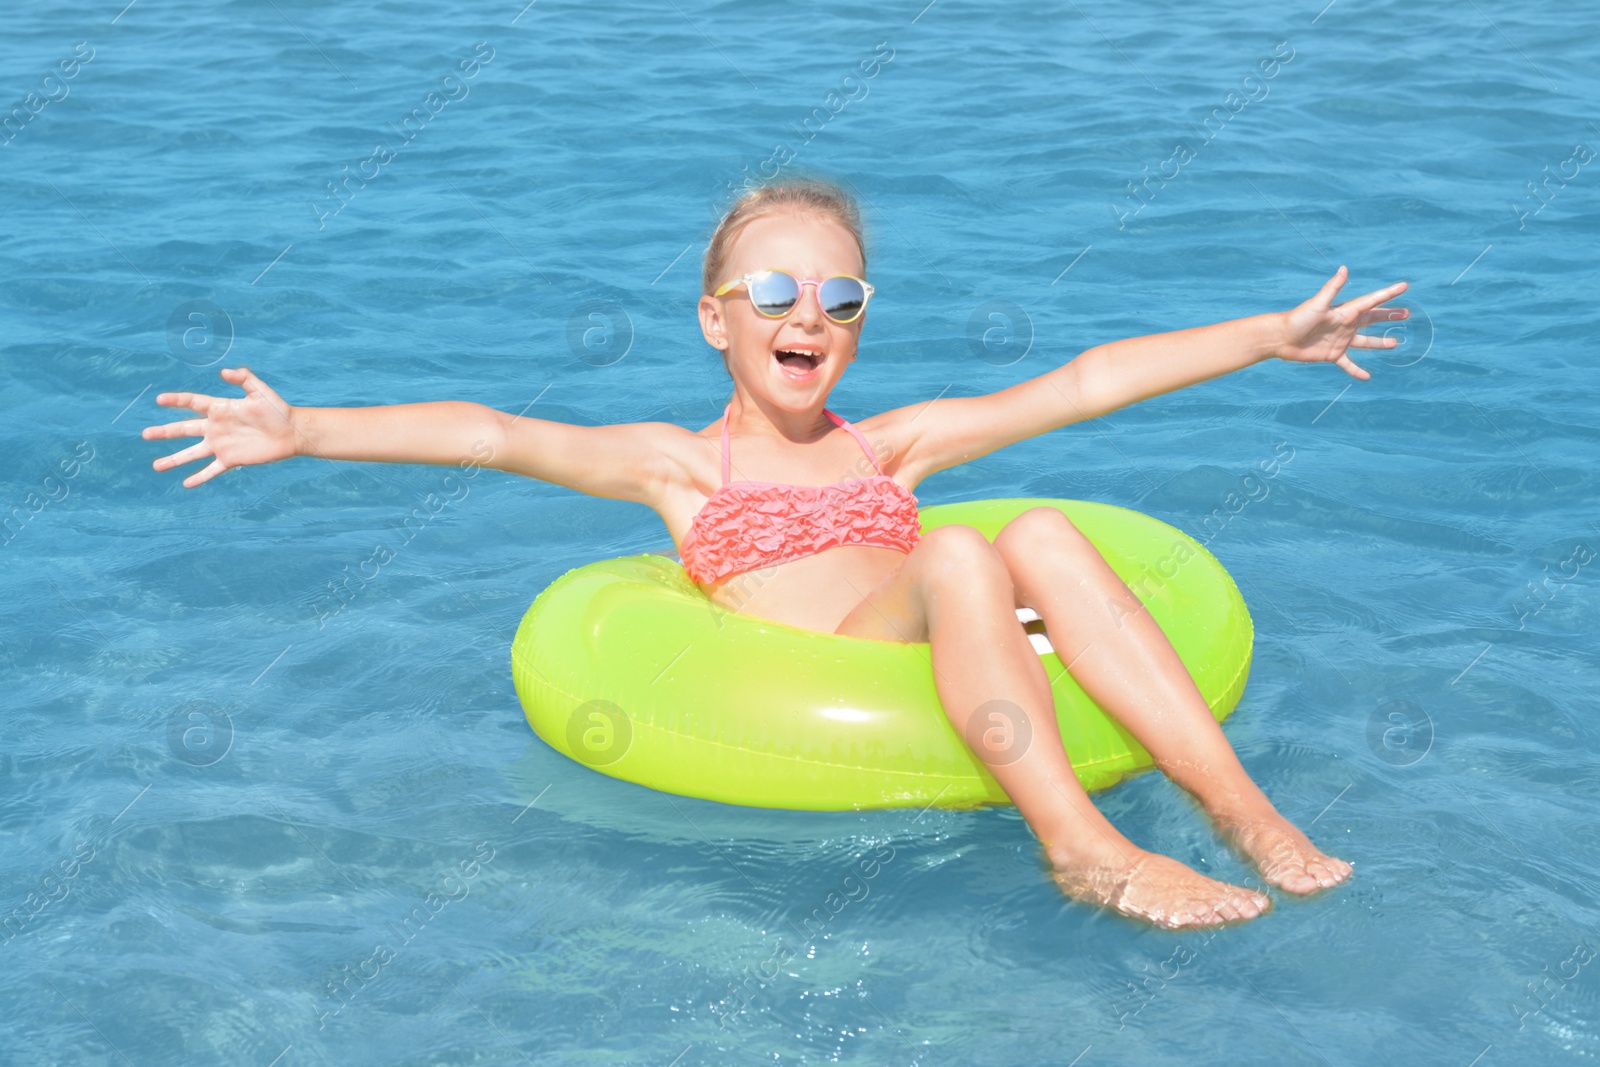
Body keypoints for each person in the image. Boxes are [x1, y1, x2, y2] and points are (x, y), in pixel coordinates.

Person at [144, 179, 1407, 928]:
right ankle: (1082, 845)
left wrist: (1265, 335)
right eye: (775, 294)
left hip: (936, 647)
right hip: (836, 661)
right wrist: (303, 428)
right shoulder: (680, 467)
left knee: (1036, 526)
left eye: (841, 297)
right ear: (715, 320)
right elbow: (493, 432)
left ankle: (1245, 814)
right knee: (972, 559)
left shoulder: (893, 449)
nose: (810, 316)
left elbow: (1080, 381)